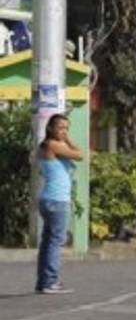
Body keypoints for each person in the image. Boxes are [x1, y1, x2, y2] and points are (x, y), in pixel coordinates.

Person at [36, 113, 82, 294]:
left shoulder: (48, 145)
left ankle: (44, 282)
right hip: (57, 201)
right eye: (61, 128)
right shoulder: (53, 145)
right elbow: (79, 155)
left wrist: (66, 138)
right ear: (50, 128)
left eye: (66, 128)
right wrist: (68, 140)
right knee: (55, 242)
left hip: (50, 199)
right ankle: (50, 282)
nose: (64, 131)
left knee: (47, 242)